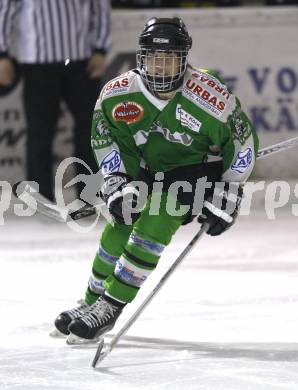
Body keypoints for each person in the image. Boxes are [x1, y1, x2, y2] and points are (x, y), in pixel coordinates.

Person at [54, 17, 259, 342]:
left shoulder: (210, 97)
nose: (161, 67)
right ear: (141, 59)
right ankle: (90, 302)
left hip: (196, 175)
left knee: (155, 219)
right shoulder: (117, 95)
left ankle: (110, 305)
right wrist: (116, 181)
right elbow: (103, 135)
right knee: (120, 226)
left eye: (170, 59)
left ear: (184, 59)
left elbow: (243, 139)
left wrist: (231, 189)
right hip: (147, 171)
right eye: (153, 59)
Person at [0, 0, 111, 201]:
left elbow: (100, 7)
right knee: (39, 133)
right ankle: (40, 199)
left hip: (80, 59)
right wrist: (2, 53)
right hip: (37, 61)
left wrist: (100, 49)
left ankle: (91, 196)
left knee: (90, 130)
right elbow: (5, 9)